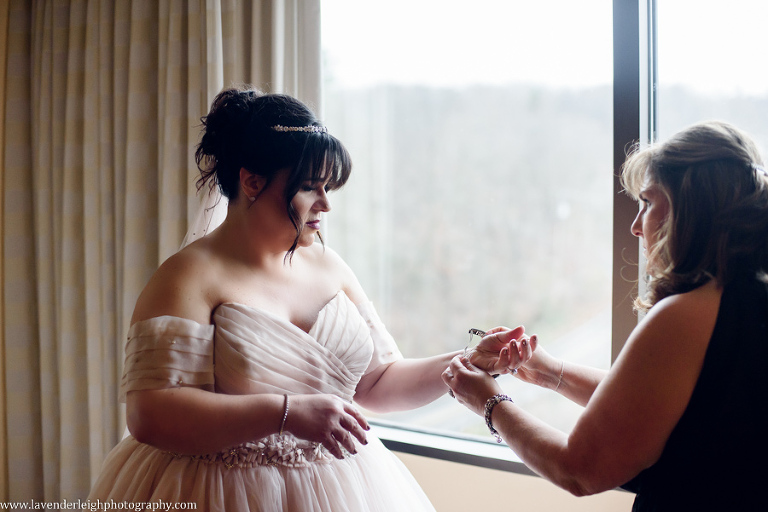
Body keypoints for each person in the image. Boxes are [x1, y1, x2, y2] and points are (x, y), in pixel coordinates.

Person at [88, 87, 526, 511]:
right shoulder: (188, 276)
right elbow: (151, 414)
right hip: (217, 491)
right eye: (311, 188)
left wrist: (469, 358)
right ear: (252, 181)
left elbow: (378, 383)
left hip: (343, 487)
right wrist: (286, 412)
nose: (325, 205)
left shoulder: (330, 266)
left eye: (328, 189)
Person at [443, 120, 768, 511]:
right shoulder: (745, 299)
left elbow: (581, 469)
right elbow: (655, 405)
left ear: (688, 208)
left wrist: (489, 403)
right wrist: (547, 371)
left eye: (647, 202)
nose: (634, 226)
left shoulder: (685, 315)